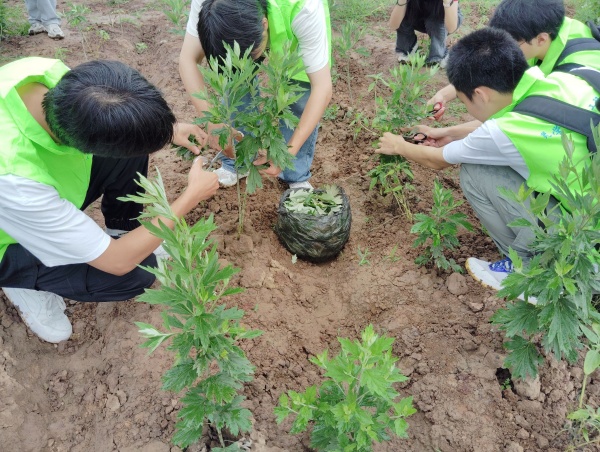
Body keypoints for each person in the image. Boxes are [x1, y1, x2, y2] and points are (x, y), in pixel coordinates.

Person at [0, 57, 219, 343]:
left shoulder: (46, 76)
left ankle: (123, 230)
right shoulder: (15, 178)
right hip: (10, 240)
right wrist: (190, 196)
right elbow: (118, 263)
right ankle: (22, 282)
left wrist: (170, 129)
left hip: (41, 196)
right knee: (136, 274)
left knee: (131, 150)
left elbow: (107, 114)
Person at [375, 27, 597, 291]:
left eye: (463, 100)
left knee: (475, 171)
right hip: (590, 213)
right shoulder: (560, 79)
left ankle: (528, 273)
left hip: (585, 250)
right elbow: (512, 120)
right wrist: (447, 132)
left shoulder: (502, 131)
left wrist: (398, 146)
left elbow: (438, 160)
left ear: (480, 94)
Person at [179, 0, 332, 190]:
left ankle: (295, 175)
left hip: (293, 35)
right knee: (235, 83)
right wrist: (212, 121)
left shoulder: (305, 8)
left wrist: (287, 152)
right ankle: (238, 161)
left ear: (264, 25)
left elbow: (322, 88)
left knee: (299, 95)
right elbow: (187, 59)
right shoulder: (207, 4)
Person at [425, 0, 599, 135]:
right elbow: (489, 67)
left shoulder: (567, 82)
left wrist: (447, 133)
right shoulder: (543, 26)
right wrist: (444, 95)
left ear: (541, 39)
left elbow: (513, 123)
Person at [389, 0, 462, 66]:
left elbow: (451, 28)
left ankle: (439, 54)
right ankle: (408, 48)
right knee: (401, 14)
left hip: (444, 16)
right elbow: (393, 25)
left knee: (434, 22)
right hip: (417, 14)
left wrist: (447, 2)